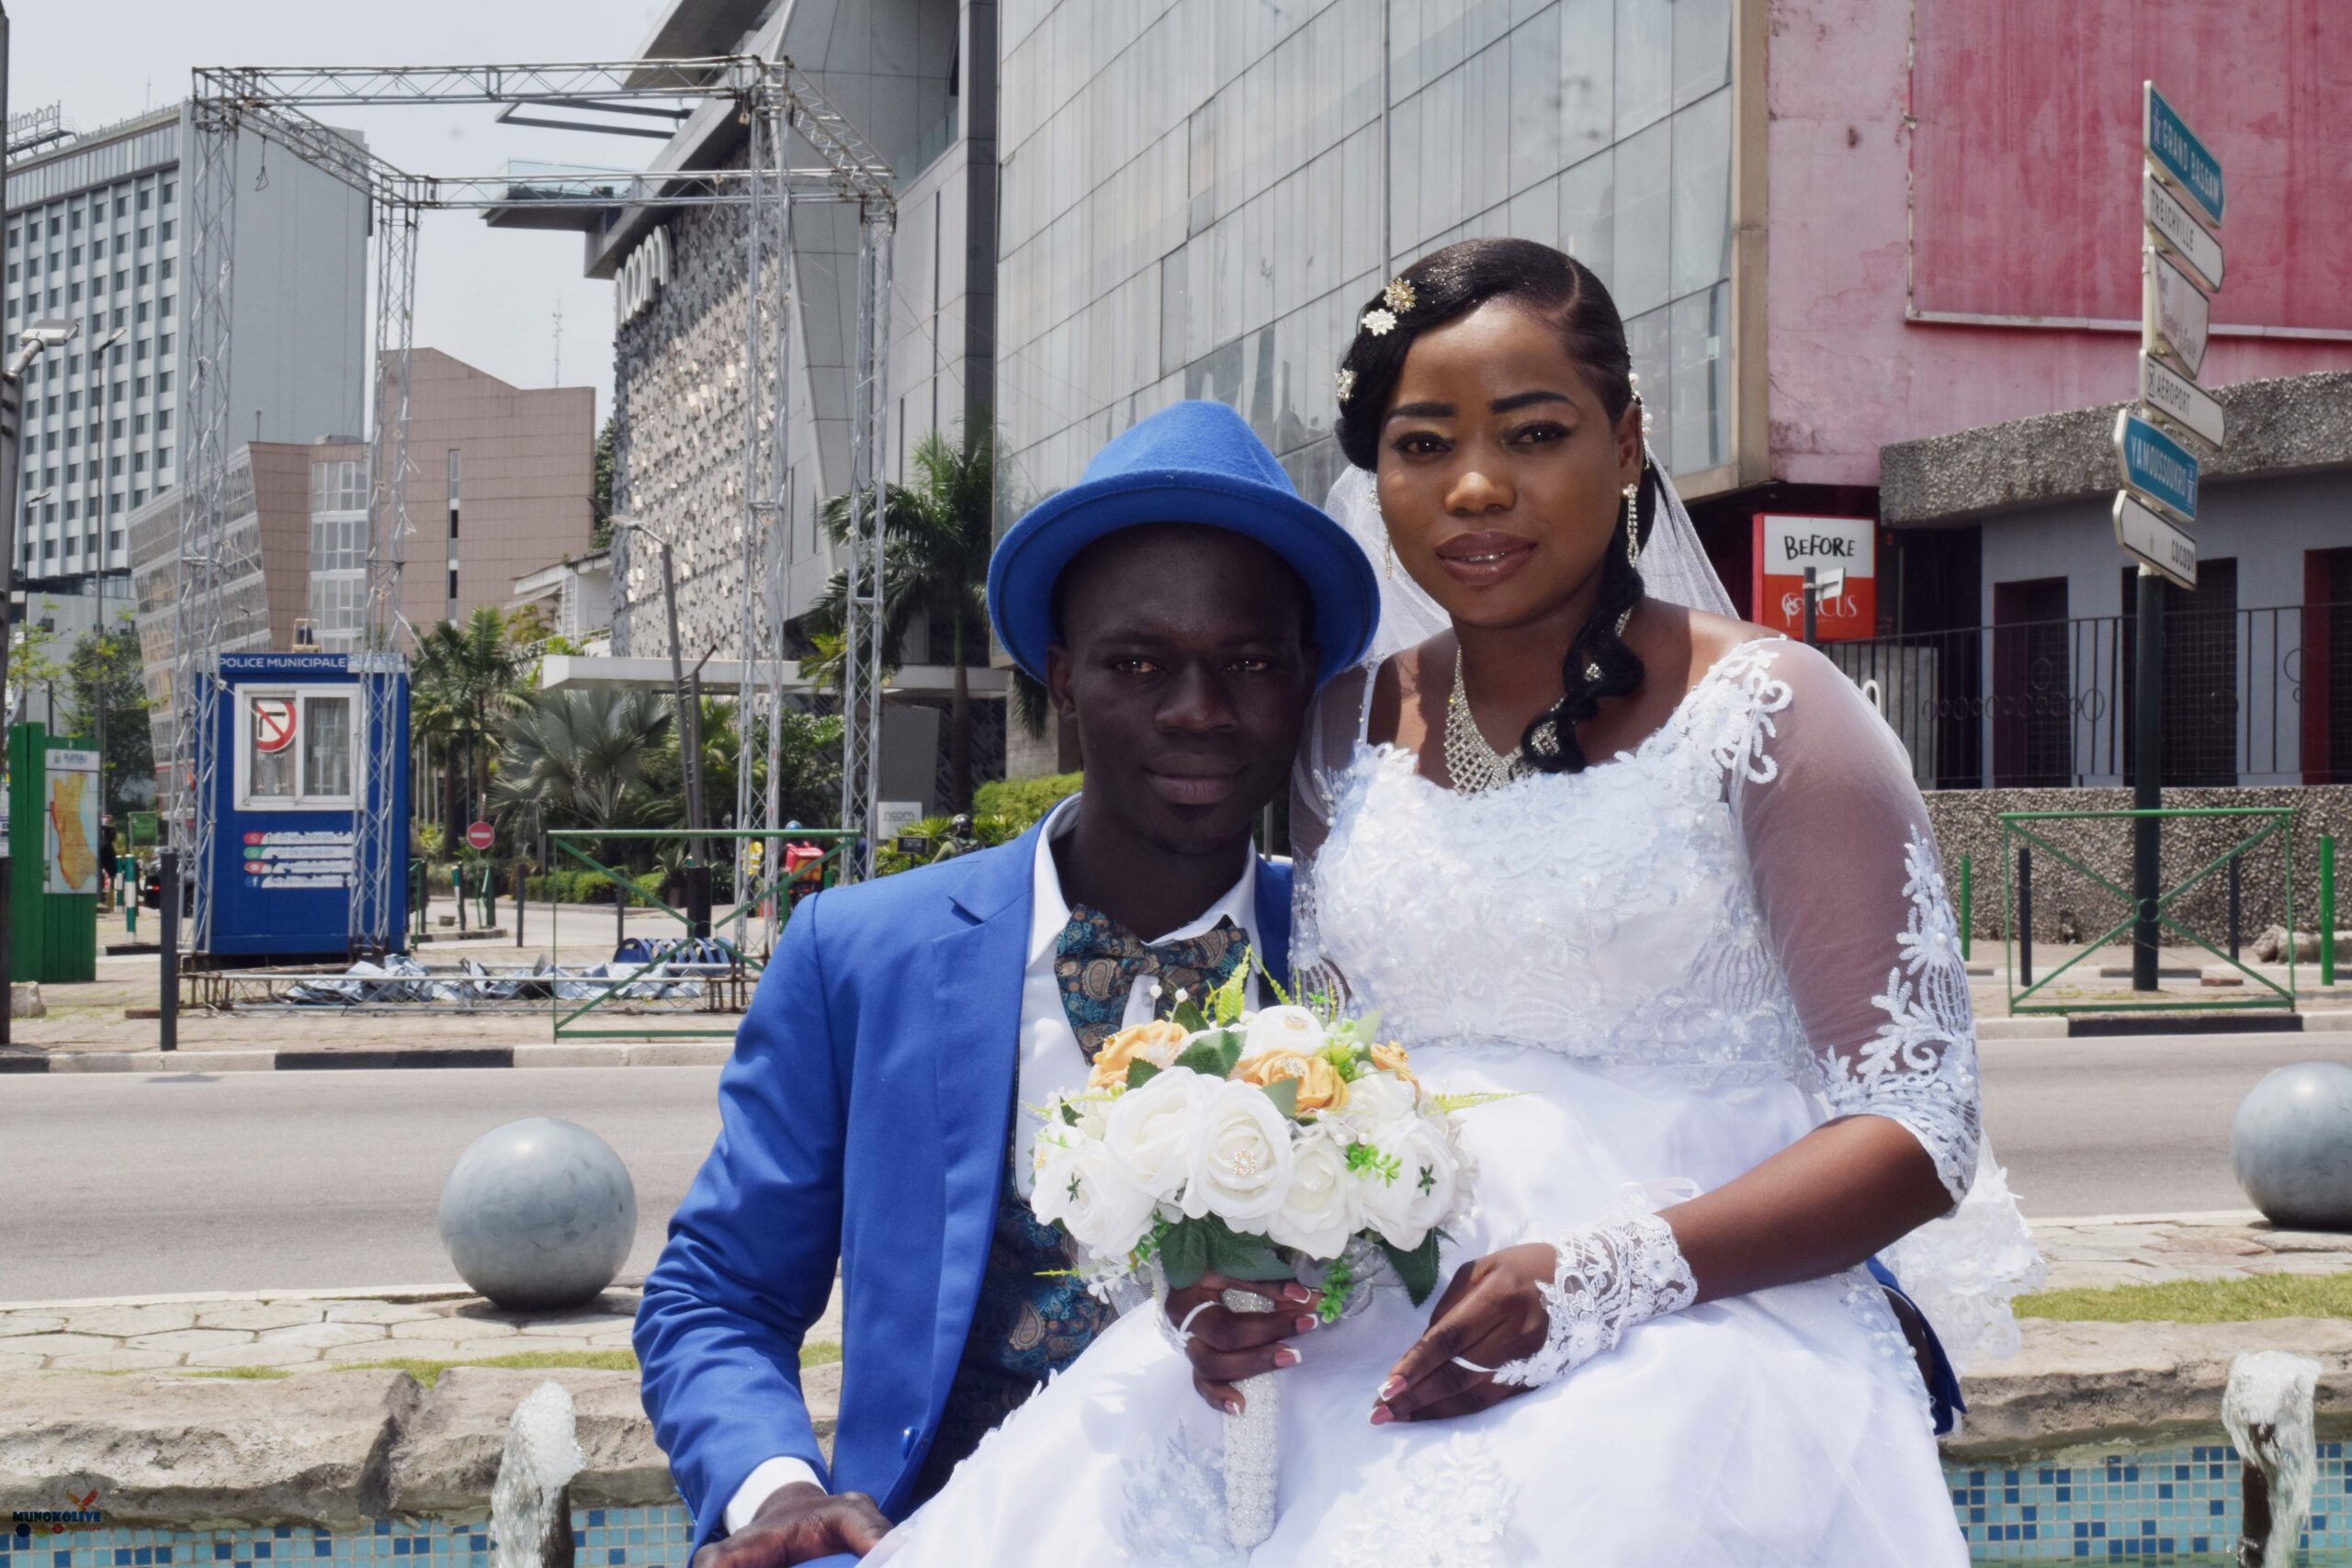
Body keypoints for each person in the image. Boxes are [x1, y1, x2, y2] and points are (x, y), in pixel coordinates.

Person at [864, 240, 2040, 1565]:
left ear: (1627, 442)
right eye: (1423, 445)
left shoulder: (1773, 712)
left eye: (1534, 433)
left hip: (1695, 1319)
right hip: (1387, 1300)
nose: (1477, 486)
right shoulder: (1344, 727)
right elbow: (1336, 1066)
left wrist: (1598, 1279)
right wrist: (1242, 1249)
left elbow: (1919, 1129)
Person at [633, 400, 1381, 1568]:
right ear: (1063, 679)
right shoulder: (858, 954)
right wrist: (775, 1490)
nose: (1196, 710)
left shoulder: (1367, 959)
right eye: (1138, 663)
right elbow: (717, 1294)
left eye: (1247, 664)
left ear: (1304, 684)